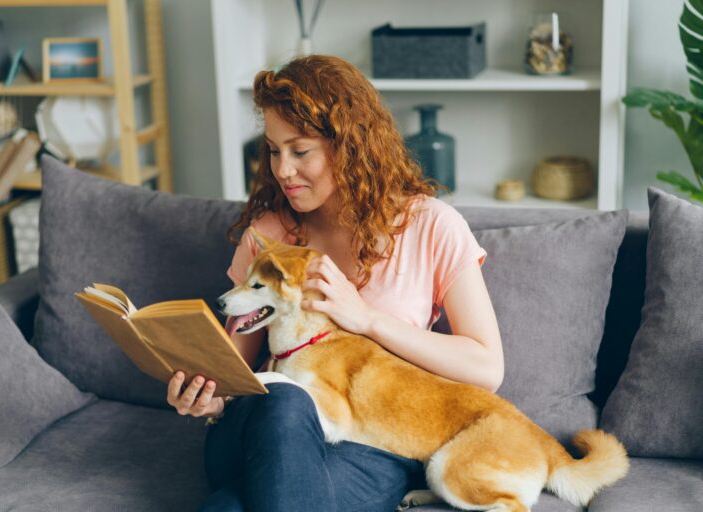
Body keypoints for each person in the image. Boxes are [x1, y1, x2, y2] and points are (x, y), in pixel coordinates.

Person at [166, 55, 503, 512]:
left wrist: (366, 319)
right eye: (272, 149)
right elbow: (235, 372)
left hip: (372, 442)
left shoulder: (432, 226)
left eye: (300, 151)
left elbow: (486, 367)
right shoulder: (267, 238)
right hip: (261, 430)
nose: (282, 170)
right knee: (286, 399)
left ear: (351, 145)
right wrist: (206, 398)